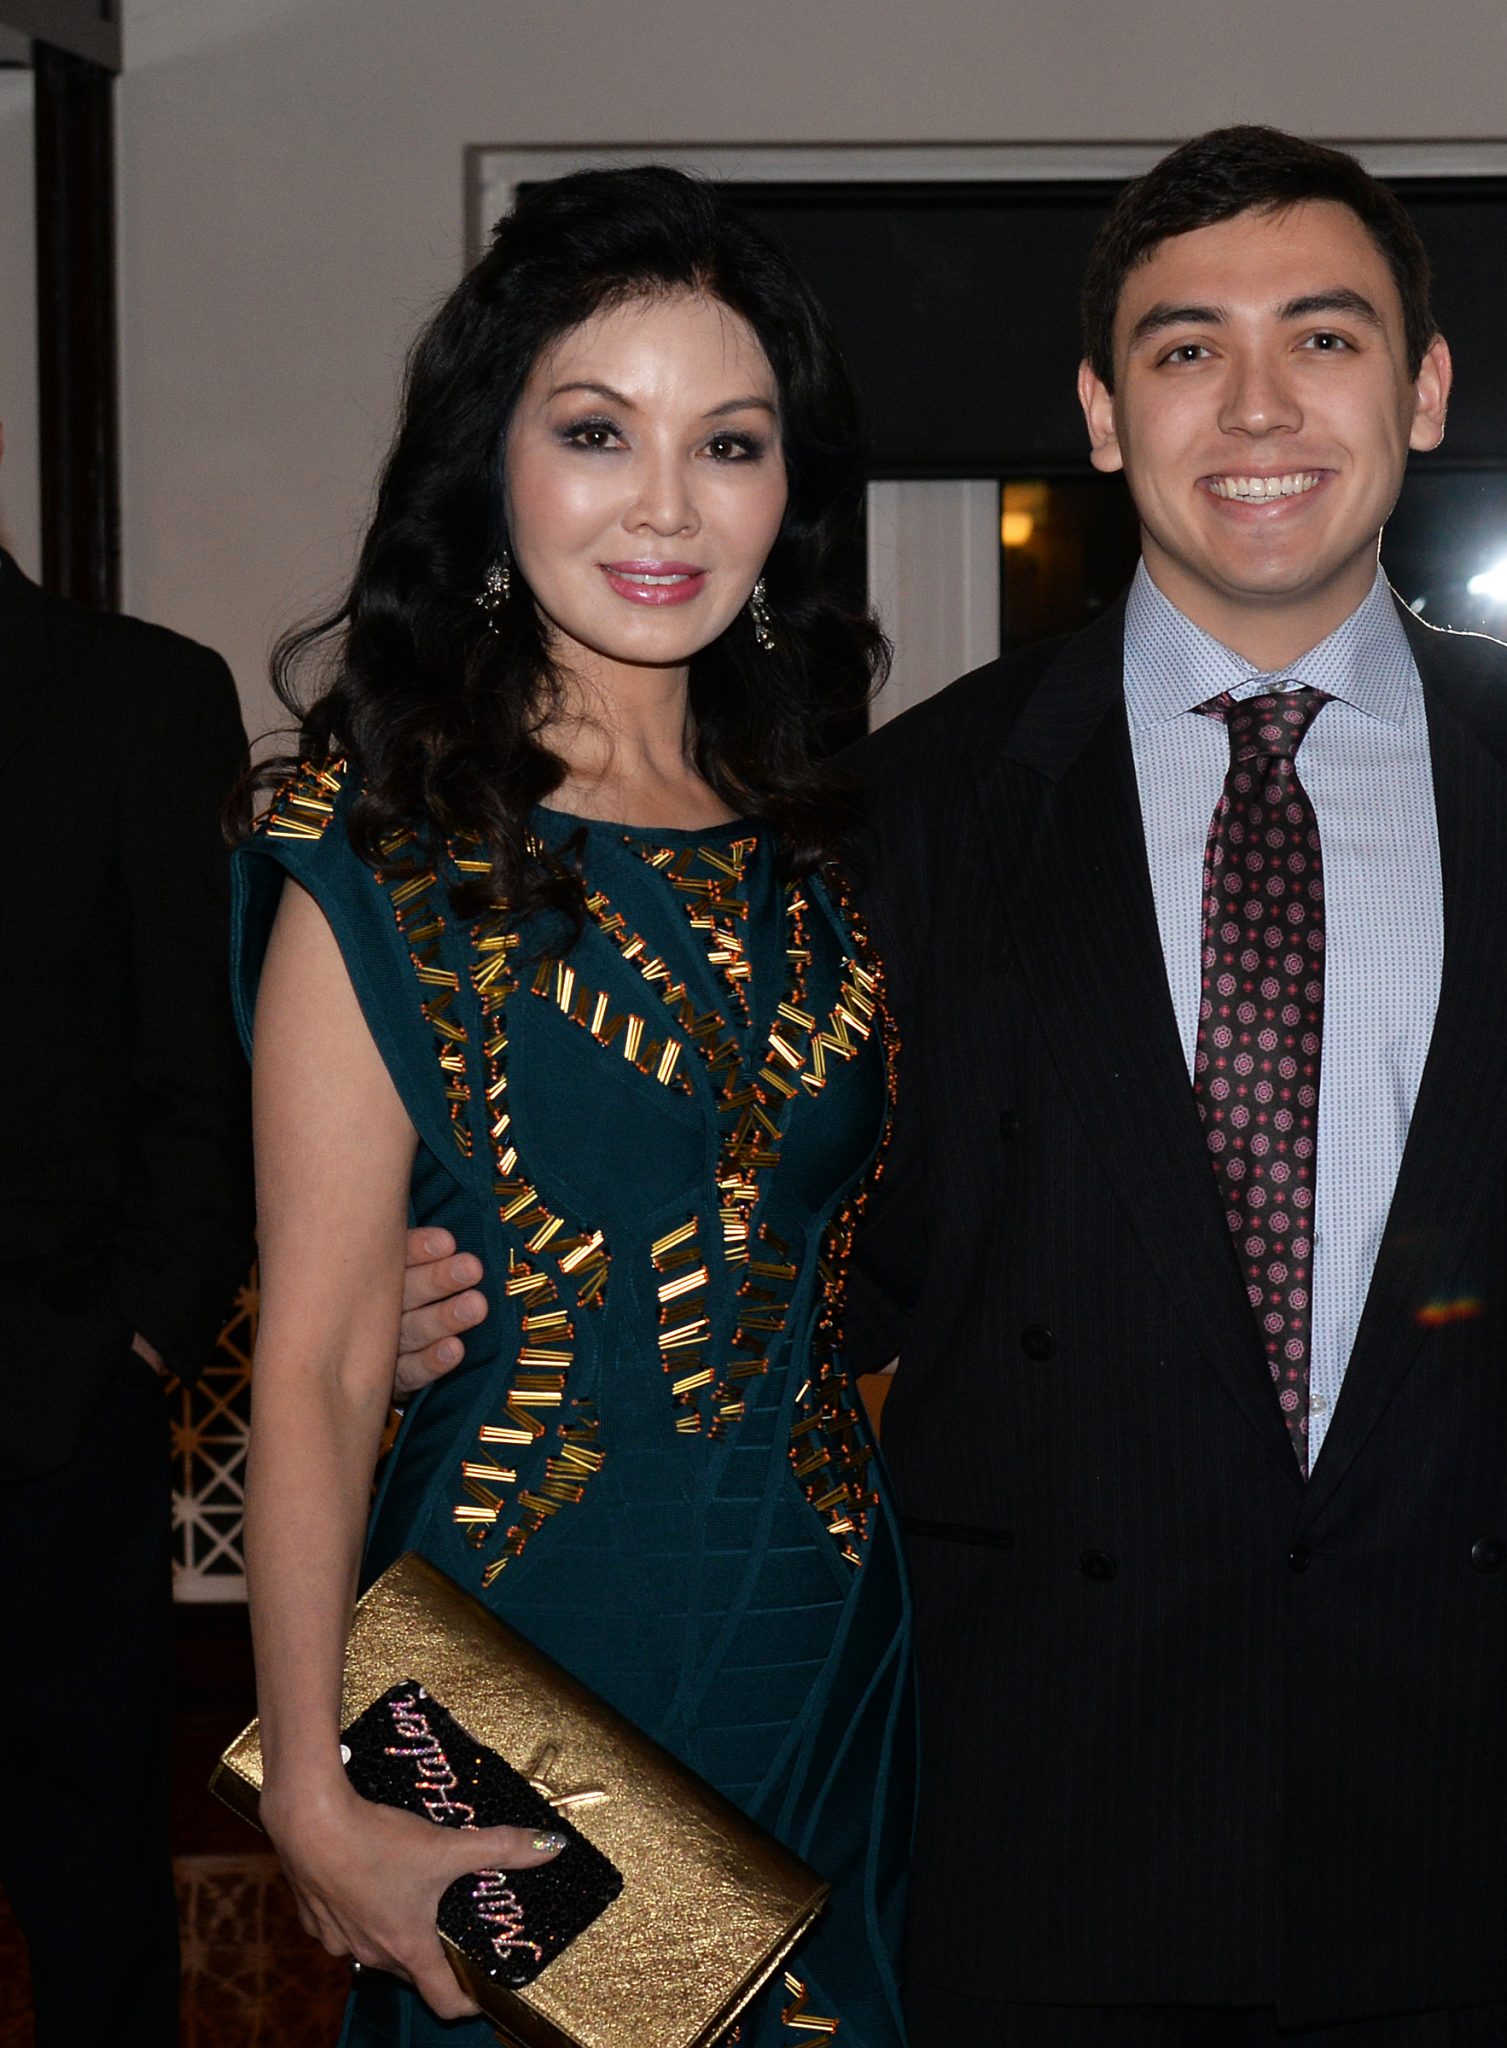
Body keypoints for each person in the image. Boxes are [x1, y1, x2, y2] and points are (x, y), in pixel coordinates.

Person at [407, 124, 1507, 2045]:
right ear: (1102, 413)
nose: (1255, 404)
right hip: (1043, 1812)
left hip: (1474, 1808)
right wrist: (502, 1298)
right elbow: (805, 1267)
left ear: (1424, 389)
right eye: (1185, 348)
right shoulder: (903, 816)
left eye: (1323, 337)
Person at [233, 167, 912, 2045]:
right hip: (518, 1662)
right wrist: (311, 1790)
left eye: (730, 443)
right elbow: (319, 1357)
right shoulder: (376, 859)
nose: (667, 505)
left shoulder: (831, 858)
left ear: (787, 493)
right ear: (494, 463)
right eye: (598, 432)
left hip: (833, 1656)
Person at [0, 440, 255, 2047]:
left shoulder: (134, 697)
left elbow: (206, 1068)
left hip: (44, 1421)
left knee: (90, 1908)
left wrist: (131, 1341)